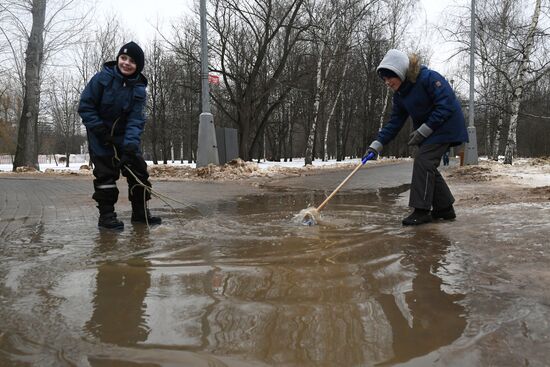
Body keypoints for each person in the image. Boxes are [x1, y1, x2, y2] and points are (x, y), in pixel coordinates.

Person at [366, 49, 468, 225]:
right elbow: (395, 122)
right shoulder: (400, 95)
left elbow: (447, 105)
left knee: (423, 161)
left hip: (447, 125)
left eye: (390, 77)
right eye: (384, 79)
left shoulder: (428, 78)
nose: (387, 82)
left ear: (399, 71)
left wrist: (424, 130)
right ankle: (444, 209)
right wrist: (377, 144)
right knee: (427, 166)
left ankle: (421, 210)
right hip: (431, 130)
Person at [79, 41, 161, 230]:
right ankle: (107, 217)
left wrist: (130, 146)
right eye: (123, 58)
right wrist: (99, 130)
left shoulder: (139, 90)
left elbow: (136, 120)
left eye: (131, 61)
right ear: (118, 59)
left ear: (137, 66)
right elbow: (86, 106)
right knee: (106, 175)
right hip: (100, 136)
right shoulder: (101, 79)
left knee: (139, 172)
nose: (126, 63)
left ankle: (140, 214)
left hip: (124, 138)